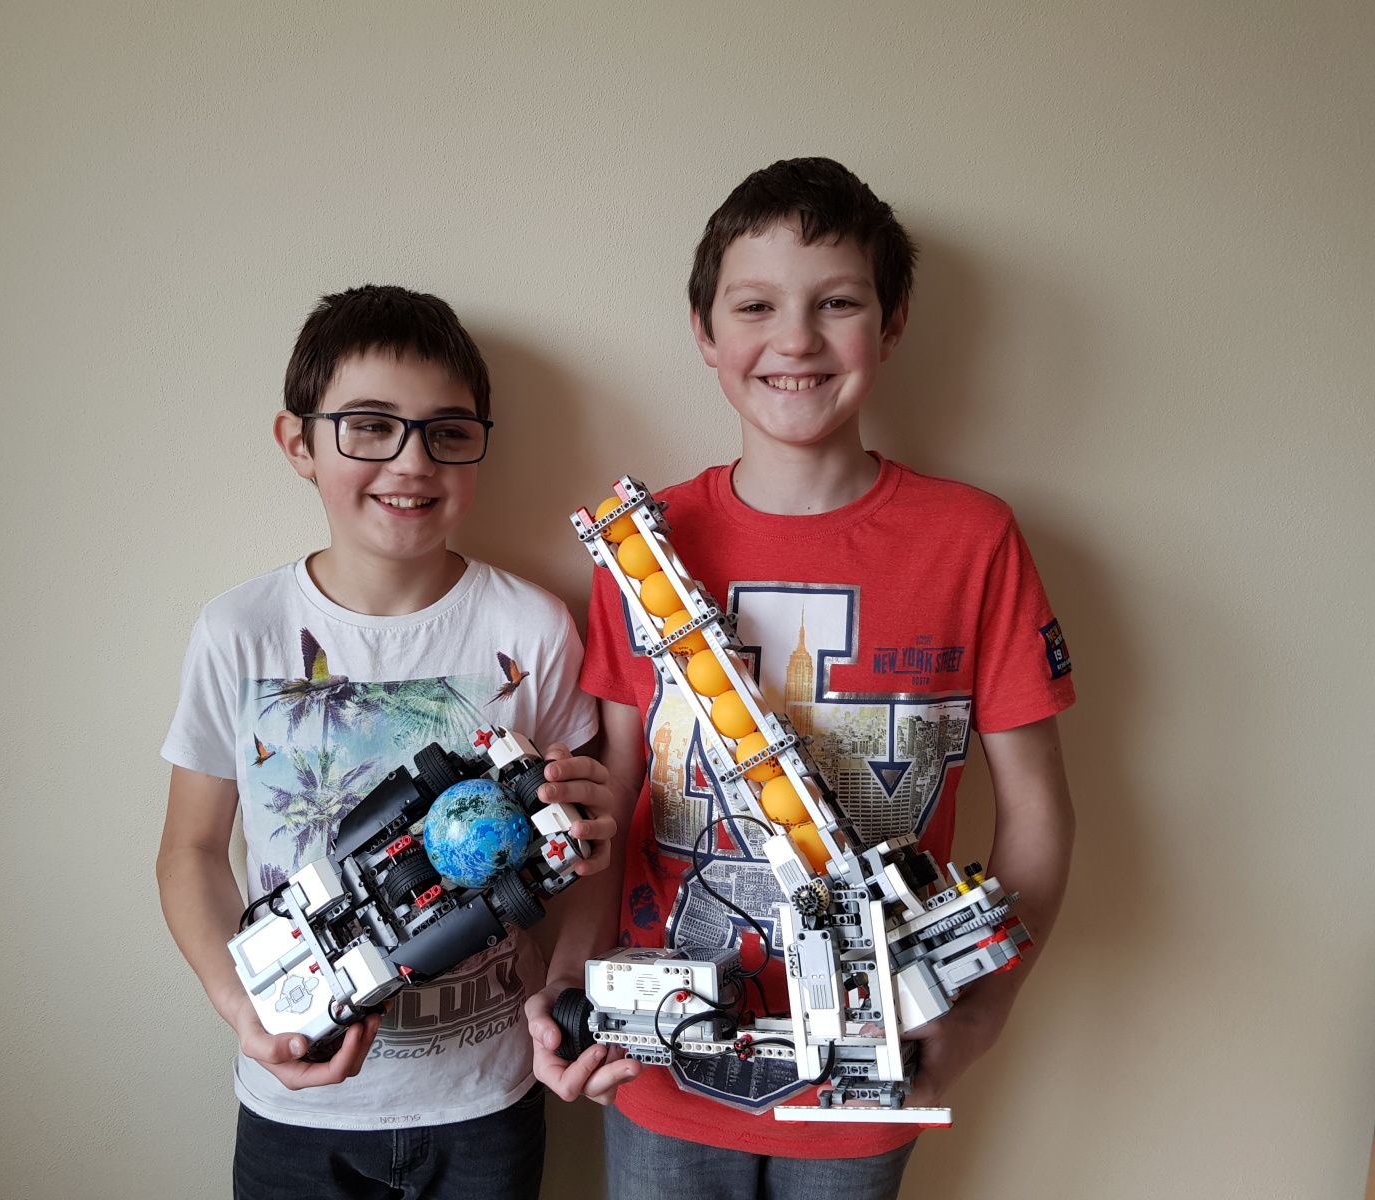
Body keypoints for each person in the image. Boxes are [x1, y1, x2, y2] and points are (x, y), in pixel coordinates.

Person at [527, 158, 1077, 1200]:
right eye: (755, 307)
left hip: (865, 1077)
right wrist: (568, 981)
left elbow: (1039, 813)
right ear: (704, 331)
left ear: (892, 323)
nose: (795, 341)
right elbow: (618, 793)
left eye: (837, 304)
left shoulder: (972, 541)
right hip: (664, 1069)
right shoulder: (641, 550)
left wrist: (979, 1017)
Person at [157, 284, 618, 1199]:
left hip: (486, 1097)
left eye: (447, 432)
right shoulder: (240, 630)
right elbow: (190, 851)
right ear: (299, 442)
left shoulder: (532, 627)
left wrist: (574, 936)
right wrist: (245, 1007)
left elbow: (587, 854)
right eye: (370, 427)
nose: (412, 461)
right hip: (296, 1102)